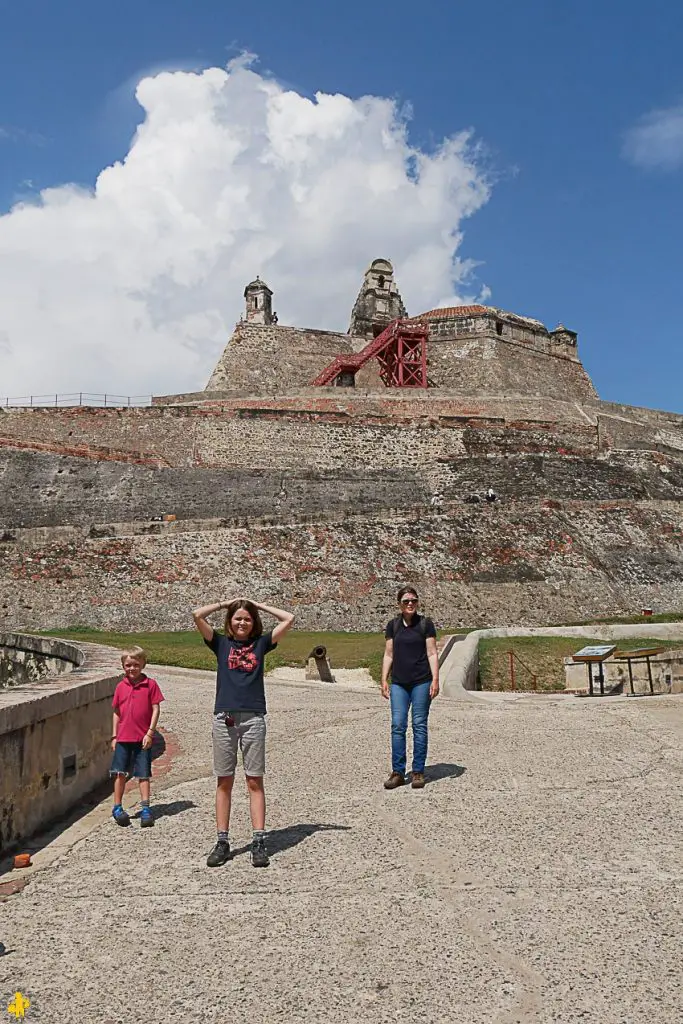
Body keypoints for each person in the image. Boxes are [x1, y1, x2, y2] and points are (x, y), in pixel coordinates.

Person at [192, 597, 295, 868]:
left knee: (254, 781)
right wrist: (225, 604)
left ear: (254, 623)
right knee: (224, 781)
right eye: (237, 618)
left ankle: (259, 840)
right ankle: (222, 840)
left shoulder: (261, 644)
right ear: (229, 622)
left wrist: (257, 606)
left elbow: (289, 618)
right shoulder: (220, 644)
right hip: (224, 717)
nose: (242, 623)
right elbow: (197, 614)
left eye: (247, 619)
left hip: (253, 718)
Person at [381, 586, 439, 790]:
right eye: (406, 601)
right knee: (397, 726)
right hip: (399, 683)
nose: (410, 604)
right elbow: (389, 654)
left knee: (419, 725)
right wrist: (383, 679)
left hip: (421, 681)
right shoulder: (393, 625)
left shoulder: (425, 624)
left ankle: (418, 772)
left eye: (413, 600)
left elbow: (432, 653)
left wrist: (435, 679)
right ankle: (397, 772)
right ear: (399, 604)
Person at [110, 646, 164, 827]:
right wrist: (114, 736)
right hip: (123, 737)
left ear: (143, 665)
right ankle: (117, 806)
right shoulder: (120, 686)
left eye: (135, 665)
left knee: (143, 774)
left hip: (142, 738)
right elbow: (116, 712)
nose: (132, 669)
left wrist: (150, 732)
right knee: (120, 773)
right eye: (128, 665)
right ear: (123, 666)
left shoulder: (150, 685)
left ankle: (146, 807)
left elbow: (156, 708)